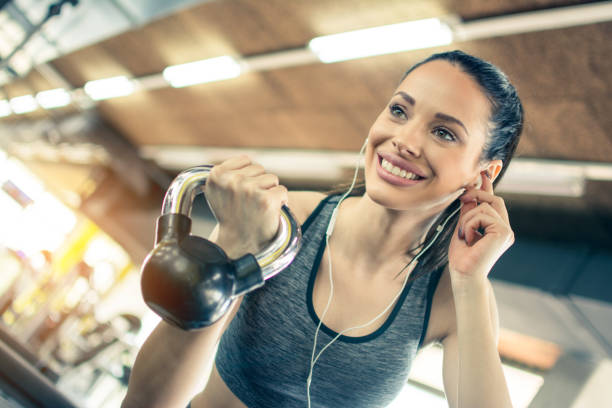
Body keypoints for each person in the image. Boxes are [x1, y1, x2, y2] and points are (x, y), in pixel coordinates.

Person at [122, 50, 523, 408]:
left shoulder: (455, 297)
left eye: (443, 132)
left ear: (482, 174)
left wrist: (470, 282)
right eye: (399, 111)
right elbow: (147, 403)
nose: (405, 140)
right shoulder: (281, 223)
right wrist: (234, 243)